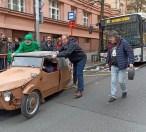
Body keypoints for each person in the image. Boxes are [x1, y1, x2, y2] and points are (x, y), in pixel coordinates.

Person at [106, 30, 134, 102]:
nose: (110, 39)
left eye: (111, 38)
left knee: (121, 81)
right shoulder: (110, 44)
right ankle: (113, 96)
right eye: (109, 38)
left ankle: (124, 91)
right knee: (113, 81)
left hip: (122, 66)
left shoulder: (123, 42)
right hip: (113, 66)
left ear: (115, 37)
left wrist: (131, 62)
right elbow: (109, 54)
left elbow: (130, 52)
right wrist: (107, 62)